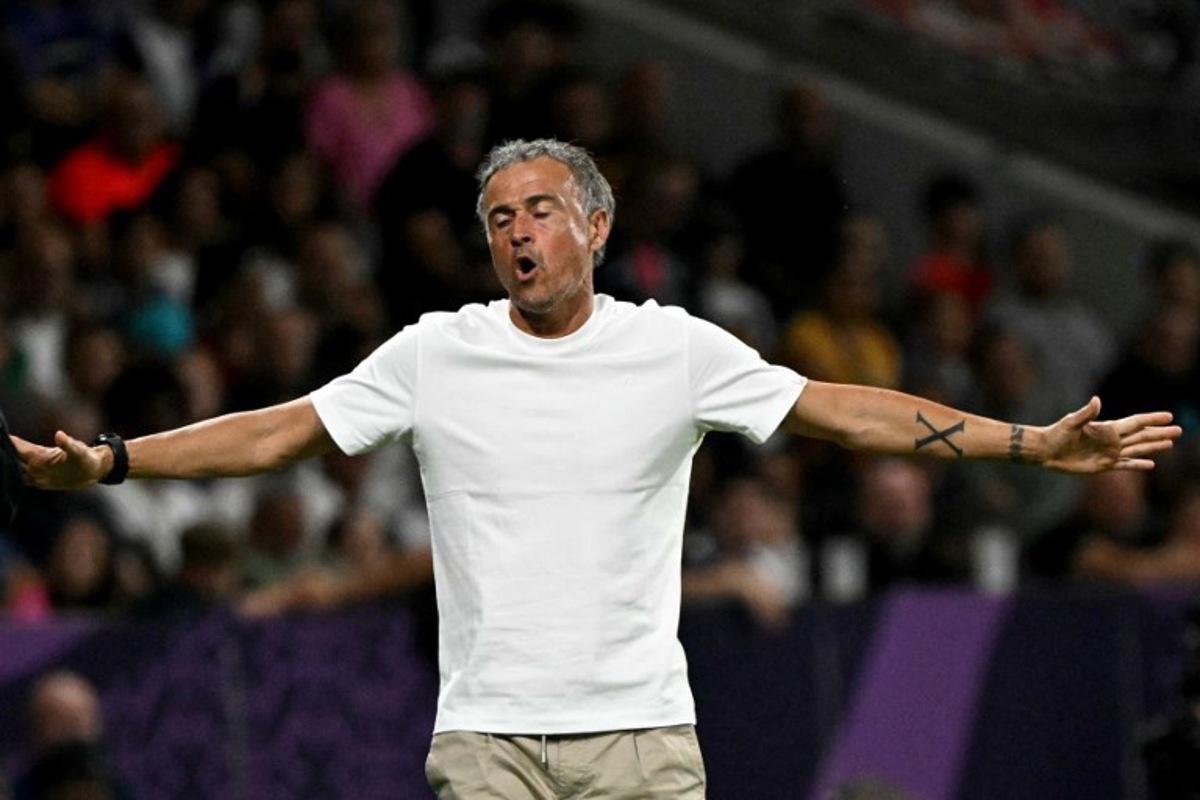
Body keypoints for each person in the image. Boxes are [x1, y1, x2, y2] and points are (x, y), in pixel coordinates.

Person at [10, 139, 1182, 799]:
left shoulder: (673, 347)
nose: (516, 233)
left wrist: (1030, 441)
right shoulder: (434, 352)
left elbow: (843, 413)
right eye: (496, 219)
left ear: (597, 228)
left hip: (641, 737)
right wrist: (112, 462)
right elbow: (275, 431)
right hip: (488, 739)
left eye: (539, 210)